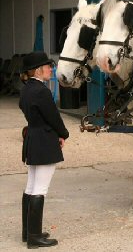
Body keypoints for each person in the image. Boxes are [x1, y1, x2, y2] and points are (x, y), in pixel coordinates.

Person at [19, 51, 69, 249]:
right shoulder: (42, 91)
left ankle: (28, 232)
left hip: (32, 139)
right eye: (48, 66)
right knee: (40, 189)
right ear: (38, 70)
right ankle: (35, 237)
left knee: (31, 186)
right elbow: (53, 117)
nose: (51, 69)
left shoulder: (26, 90)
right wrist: (63, 133)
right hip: (45, 141)